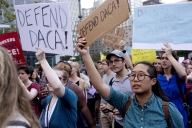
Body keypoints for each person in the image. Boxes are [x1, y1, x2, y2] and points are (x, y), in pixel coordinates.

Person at [76, 37, 184, 128]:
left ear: (153, 81)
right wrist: (85, 55)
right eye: (132, 75)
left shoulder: (168, 110)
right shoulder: (124, 102)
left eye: (141, 75)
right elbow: (99, 85)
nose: (135, 79)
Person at [36, 48, 77, 128]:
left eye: (58, 79)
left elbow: (57, 87)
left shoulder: (70, 96)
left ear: (65, 82)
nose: (52, 81)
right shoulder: (49, 98)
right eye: (50, 78)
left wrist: (43, 60)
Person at [0, 46, 41, 128]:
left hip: (29, 112)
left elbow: (29, 97)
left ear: (29, 75)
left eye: (22, 74)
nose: (20, 75)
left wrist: (18, 81)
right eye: (18, 73)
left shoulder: (34, 85)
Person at [54, 61, 96, 128]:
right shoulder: (50, 86)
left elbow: (83, 106)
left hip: (71, 120)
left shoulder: (72, 86)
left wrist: (92, 125)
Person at [99, 48, 134, 127]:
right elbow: (113, 101)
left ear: (124, 62)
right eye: (111, 62)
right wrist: (108, 108)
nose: (113, 64)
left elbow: (143, 100)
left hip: (135, 122)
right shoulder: (112, 81)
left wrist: (124, 109)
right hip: (118, 122)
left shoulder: (134, 77)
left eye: (116, 60)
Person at [157, 43, 188, 128]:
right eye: (162, 58)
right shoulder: (157, 78)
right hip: (161, 109)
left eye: (167, 58)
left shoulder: (178, 77)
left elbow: (183, 74)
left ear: (173, 61)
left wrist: (170, 55)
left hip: (178, 108)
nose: (163, 60)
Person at [100, 59, 115, 128]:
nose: (101, 66)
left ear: (109, 66)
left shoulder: (115, 76)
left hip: (112, 110)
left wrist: (113, 110)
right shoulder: (103, 76)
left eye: (103, 64)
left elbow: (116, 94)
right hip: (103, 109)